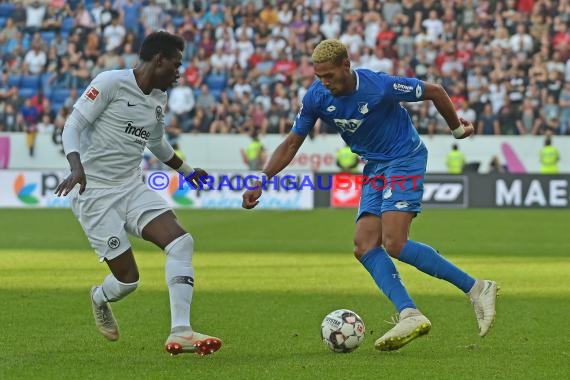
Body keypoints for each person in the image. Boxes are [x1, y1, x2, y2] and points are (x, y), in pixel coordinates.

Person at [242, 39, 498, 351]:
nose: (325, 83)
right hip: (376, 167)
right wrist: (262, 178)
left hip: (405, 157)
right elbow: (293, 142)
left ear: (346, 66)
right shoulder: (317, 96)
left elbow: (435, 91)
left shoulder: (379, 85)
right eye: (319, 76)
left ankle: (476, 288)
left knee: (394, 243)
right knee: (364, 246)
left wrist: (457, 129)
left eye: (330, 76)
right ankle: (410, 313)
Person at [54, 31, 221, 356]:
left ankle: (181, 331)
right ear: (158, 60)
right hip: (94, 192)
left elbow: (156, 143)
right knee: (128, 281)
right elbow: (71, 126)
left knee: (181, 242)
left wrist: (187, 172)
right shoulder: (111, 82)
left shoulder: (158, 98)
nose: (178, 72)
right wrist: (76, 166)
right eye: (175, 65)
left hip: (131, 186)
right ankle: (100, 297)